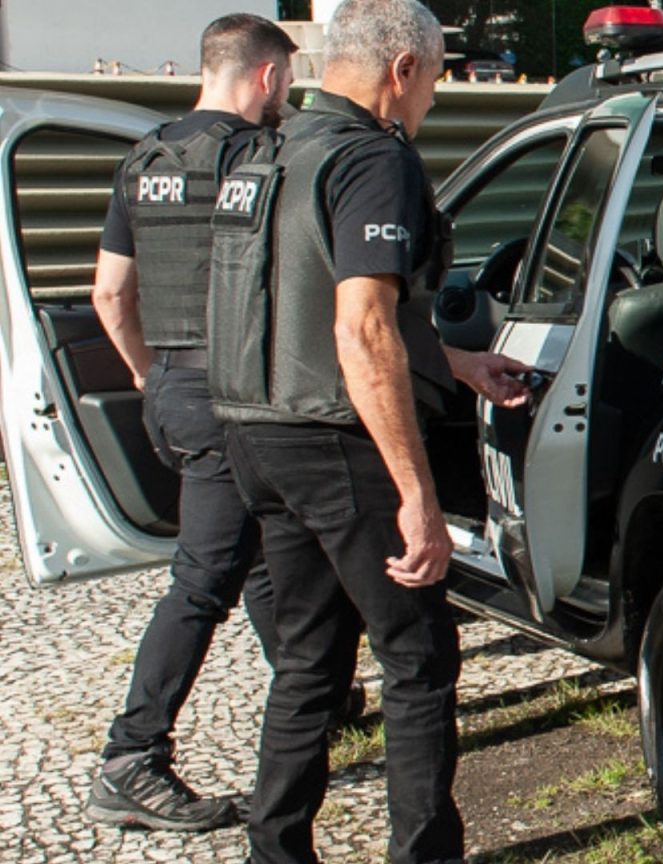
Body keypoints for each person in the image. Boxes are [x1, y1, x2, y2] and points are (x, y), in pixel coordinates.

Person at [204, 0, 529, 859]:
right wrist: (417, 495)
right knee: (418, 658)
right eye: (435, 78)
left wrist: (455, 364)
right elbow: (362, 329)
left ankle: (275, 849)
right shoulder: (374, 160)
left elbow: (298, 302)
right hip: (336, 441)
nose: (434, 98)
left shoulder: (268, 151)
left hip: (257, 435)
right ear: (401, 69)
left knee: (308, 660)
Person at [85, 14, 298, 833]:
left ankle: (312, 692)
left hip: (173, 386)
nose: (286, 96)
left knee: (255, 552)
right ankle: (131, 758)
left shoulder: (145, 159)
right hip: (233, 390)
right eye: (286, 82)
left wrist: (150, 374)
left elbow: (110, 294)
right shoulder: (258, 157)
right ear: (267, 76)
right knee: (204, 579)